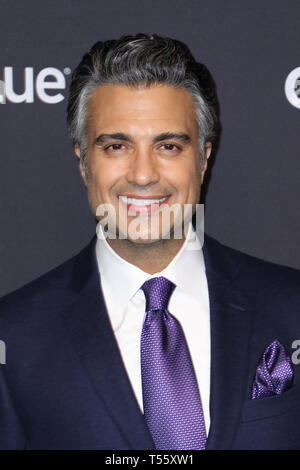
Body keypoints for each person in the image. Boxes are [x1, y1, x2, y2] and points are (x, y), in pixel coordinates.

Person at [0, 33, 300, 450]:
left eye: (169, 145)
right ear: (83, 161)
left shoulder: (292, 307)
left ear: (204, 158)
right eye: (117, 146)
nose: (143, 175)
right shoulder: (13, 338)